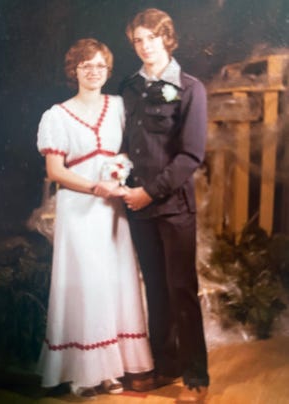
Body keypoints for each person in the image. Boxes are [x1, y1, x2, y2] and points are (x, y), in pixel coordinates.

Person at [36, 38, 153, 397]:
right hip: (80, 209)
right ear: (74, 70)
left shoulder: (118, 106)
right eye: (85, 65)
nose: (93, 72)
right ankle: (83, 371)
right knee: (86, 285)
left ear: (108, 70)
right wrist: (94, 187)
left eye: (100, 65)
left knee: (113, 281)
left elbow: (128, 152)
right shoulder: (56, 115)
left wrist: (119, 173)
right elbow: (55, 171)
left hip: (112, 211)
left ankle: (111, 370)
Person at [120, 8, 210, 403]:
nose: (144, 47)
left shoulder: (191, 88)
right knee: (154, 289)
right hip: (138, 208)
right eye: (138, 41)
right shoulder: (130, 86)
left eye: (151, 39)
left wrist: (149, 192)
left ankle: (195, 377)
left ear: (166, 39)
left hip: (173, 207)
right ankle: (166, 366)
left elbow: (191, 155)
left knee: (181, 290)